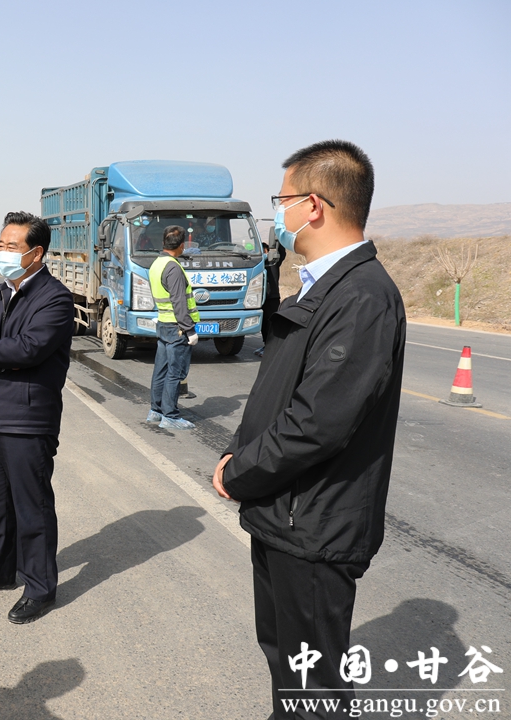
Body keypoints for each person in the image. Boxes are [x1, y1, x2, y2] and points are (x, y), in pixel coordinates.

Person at [212, 140, 406, 720]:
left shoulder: (363, 297)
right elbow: (277, 394)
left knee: (314, 687)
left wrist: (239, 474)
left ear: (313, 206)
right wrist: (239, 453)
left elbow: (317, 423)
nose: (278, 214)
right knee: (285, 662)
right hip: (285, 513)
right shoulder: (322, 287)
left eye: (282, 201)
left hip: (315, 524)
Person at [0, 211, 74, 624]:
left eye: (11, 246)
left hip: (27, 419)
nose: (3, 252)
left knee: (32, 506)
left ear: (35, 253)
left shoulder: (55, 299)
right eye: (0, 245)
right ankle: (1, 567)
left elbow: (27, 350)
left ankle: (40, 587)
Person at [146, 225, 199, 430]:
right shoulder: (173, 267)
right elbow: (179, 302)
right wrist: (189, 330)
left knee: (161, 370)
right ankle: (170, 416)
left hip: (164, 323)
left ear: (163, 242)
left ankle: (156, 411)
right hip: (177, 327)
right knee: (175, 372)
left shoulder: (157, 264)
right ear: (182, 245)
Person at [255, 235, 286, 357]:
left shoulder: (274, 262)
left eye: (264, 250)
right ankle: (266, 345)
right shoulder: (257, 264)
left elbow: (282, 253)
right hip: (259, 297)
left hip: (272, 297)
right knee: (263, 324)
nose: (263, 253)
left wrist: (279, 240)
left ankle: (273, 347)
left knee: (272, 323)